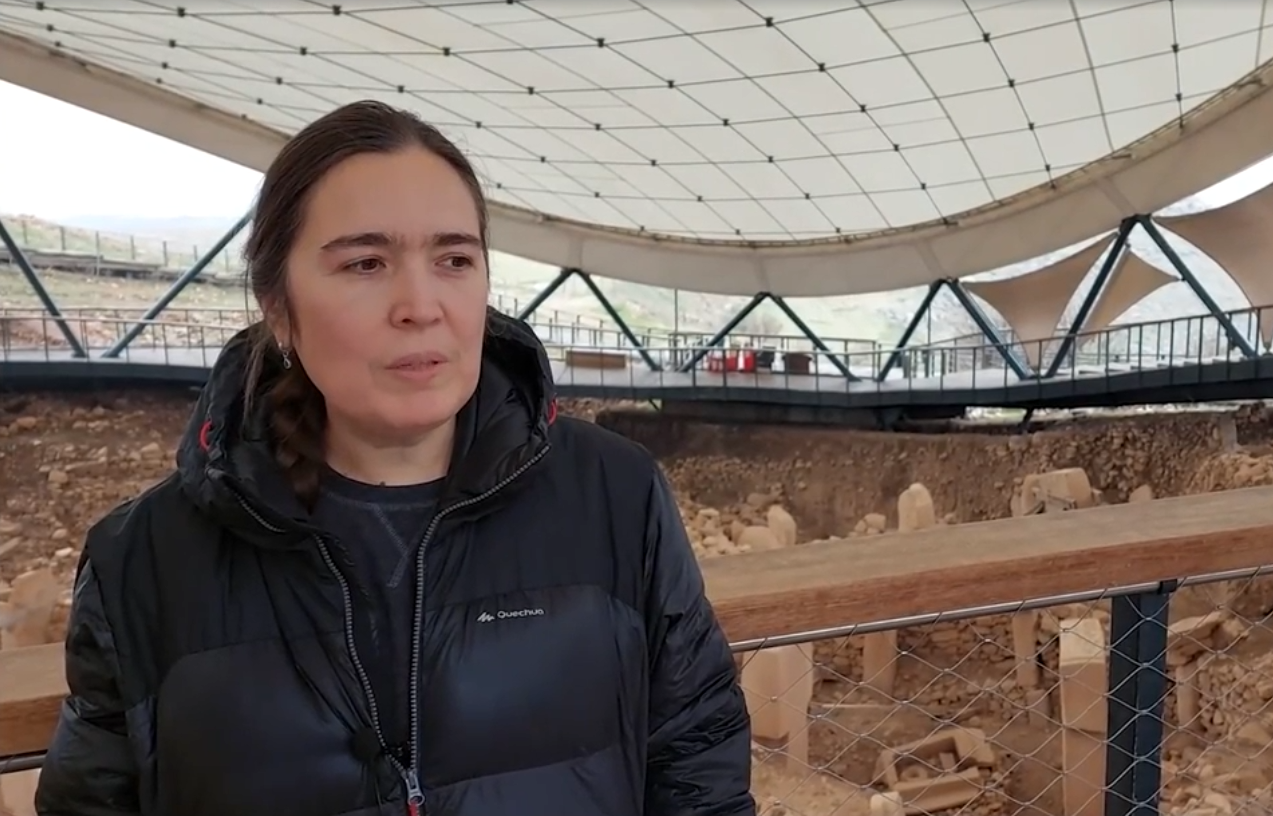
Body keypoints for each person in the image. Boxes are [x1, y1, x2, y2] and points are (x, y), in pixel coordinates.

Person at [35, 100, 755, 816]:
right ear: (279, 307)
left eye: (453, 259)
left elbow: (698, 769)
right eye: (366, 262)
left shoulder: (614, 497)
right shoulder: (146, 562)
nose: (420, 303)